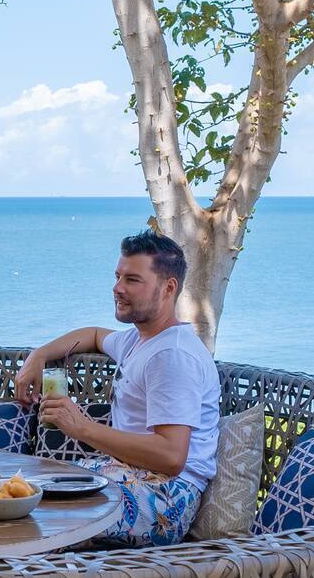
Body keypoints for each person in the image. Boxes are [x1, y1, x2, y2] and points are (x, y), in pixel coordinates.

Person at [14, 231, 220, 549]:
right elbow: (94, 335)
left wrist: (82, 427)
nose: (117, 288)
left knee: (27, 513)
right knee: (17, 491)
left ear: (168, 288)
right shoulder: (140, 339)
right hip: (130, 477)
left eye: (133, 280)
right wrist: (37, 356)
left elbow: (171, 456)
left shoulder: (172, 355)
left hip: (164, 498)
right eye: (118, 276)